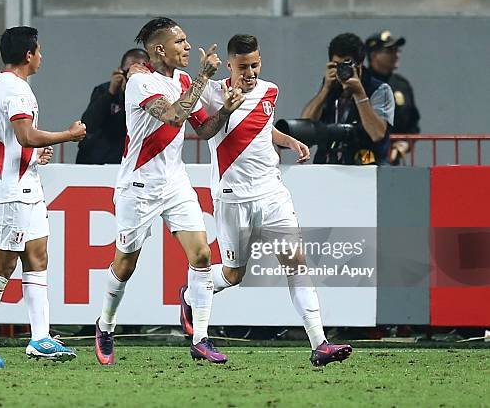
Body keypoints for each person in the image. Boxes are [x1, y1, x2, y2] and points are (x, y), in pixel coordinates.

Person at [178, 34, 352, 366]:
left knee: (296, 264)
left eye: (255, 65)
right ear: (229, 65)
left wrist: (288, 140)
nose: (250, 72)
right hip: (232, 198)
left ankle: (320, 343)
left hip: (272, 194)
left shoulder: (269, 90)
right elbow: (204, 132)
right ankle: (190, 295)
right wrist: (225, 105)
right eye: (243, 66)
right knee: (232, 275)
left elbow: (262, 126)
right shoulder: (211, 94)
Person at [94, 17, 245, 366]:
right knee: (126, 263)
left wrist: (225, 110)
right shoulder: (140, 82)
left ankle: (202, 338)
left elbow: (204, 129)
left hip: (174, 182)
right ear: (161, 48)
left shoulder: (183, 79)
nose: (188, 47)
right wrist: (205, 77)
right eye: (181, 42)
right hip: (139, 185)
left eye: (187, 41)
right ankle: (106, 323)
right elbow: (175, 116)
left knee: (203, 256)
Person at [0, 26, 86, 368]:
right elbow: (26, 135)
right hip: (11, 191)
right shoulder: (16, 90)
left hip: (25, 185)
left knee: (38, 256)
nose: (42, 56)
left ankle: (40, 338)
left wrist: (29, 154)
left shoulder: (0, 86)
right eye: (39, 50)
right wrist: (68, 135)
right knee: (2, 266)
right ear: (29, 54)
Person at [301, 33, 395, 165]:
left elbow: (377, 134)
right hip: (326, 167)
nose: (341, 70)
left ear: (360, 63)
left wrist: (359, 94)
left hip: (366, 168)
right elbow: (305, 125)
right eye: (336, 65)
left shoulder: (380, 90)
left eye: (346, 64)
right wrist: (325, 90)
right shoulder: (330, 86)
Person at [76, 48, 150, 164]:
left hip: (129, 159)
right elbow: (89, 123)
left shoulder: (151, 96)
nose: (132, 78)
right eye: (128, 72)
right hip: (98, 158)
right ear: (121, 71)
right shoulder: (104, 90)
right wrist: (111, 92)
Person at [365, 30, 420, 165]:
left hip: (391, 161)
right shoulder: (361, 83)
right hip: (363, 158)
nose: (396, 55)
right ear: (374, 55)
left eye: (397, 50)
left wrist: (404, 144)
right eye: (389, 51)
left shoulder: (402, 85)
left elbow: (413, 124)